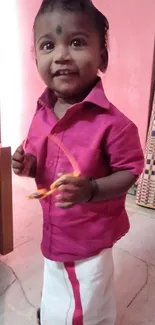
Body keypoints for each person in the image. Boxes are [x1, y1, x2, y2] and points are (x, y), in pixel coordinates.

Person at [12, 0, 144, 324]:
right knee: (58, 280)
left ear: (103, 56)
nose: (61, 56)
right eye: (48, 45)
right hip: (55, 230)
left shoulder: (115, 125)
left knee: (89, 294)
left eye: (76, 42)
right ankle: (58, 310)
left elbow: (130, 170)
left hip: (88, 238)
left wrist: (94, 189)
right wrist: (27, 164)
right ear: (36, 57)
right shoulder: (42, 112)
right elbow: (37, 157)